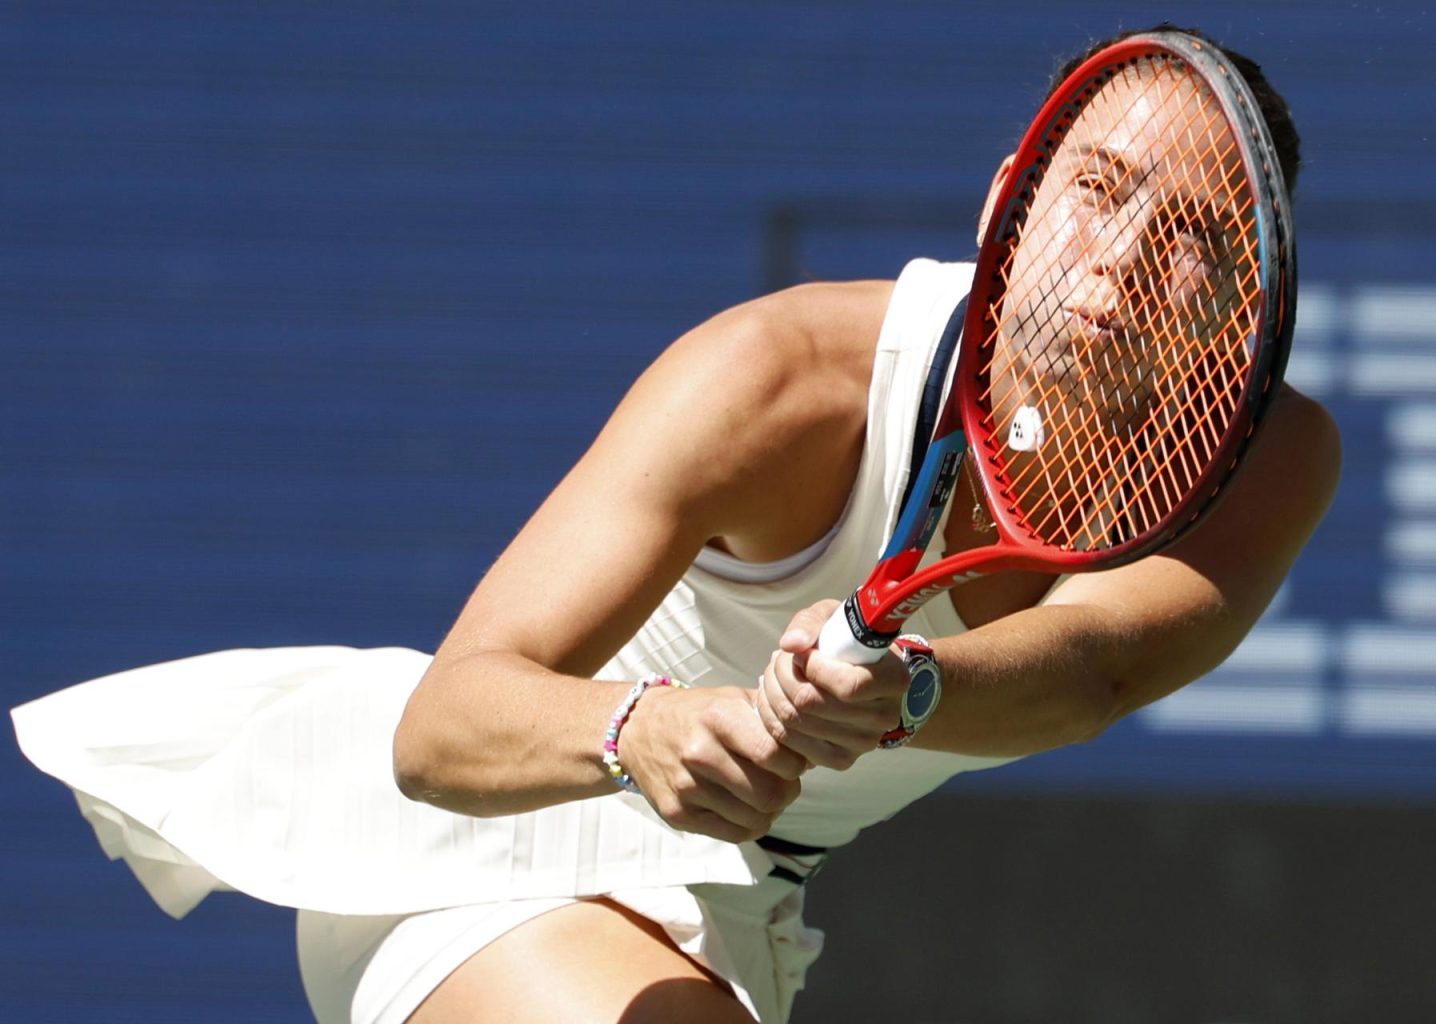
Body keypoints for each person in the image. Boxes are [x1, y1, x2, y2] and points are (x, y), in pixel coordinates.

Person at [11, 24, 1338, 1024]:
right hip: (478, 851)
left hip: (735, 899)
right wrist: (636, 727)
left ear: (1240, 313)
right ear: (1010, 204)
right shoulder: (775, 381)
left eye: (1196, 241)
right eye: (1097, 193)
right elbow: (442, 728)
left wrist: (901, 690)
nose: (1121, 259)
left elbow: (1097, 664)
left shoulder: (1268, 461)